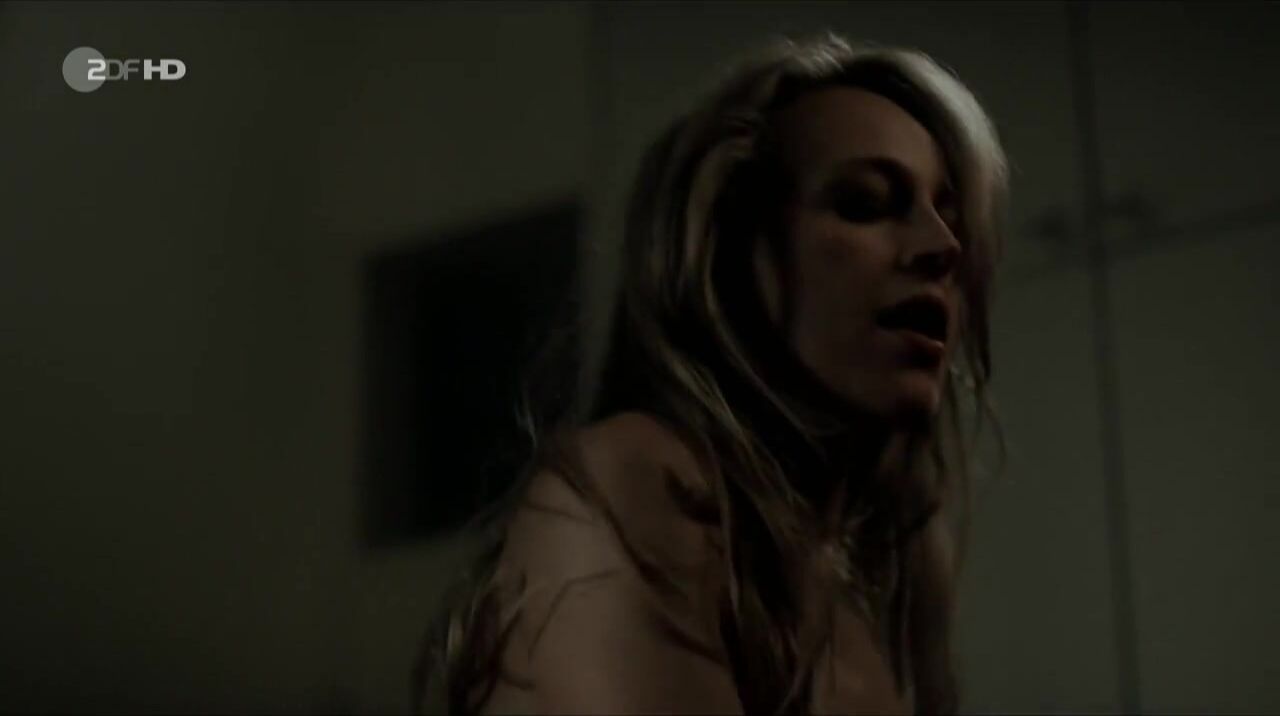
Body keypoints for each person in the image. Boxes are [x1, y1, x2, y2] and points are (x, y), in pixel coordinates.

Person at [416, 31, 1009, 715]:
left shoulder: (852, 605)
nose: (942, 247)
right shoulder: (639, 479)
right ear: (728, 255)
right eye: (864, 202)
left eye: (951, 217)